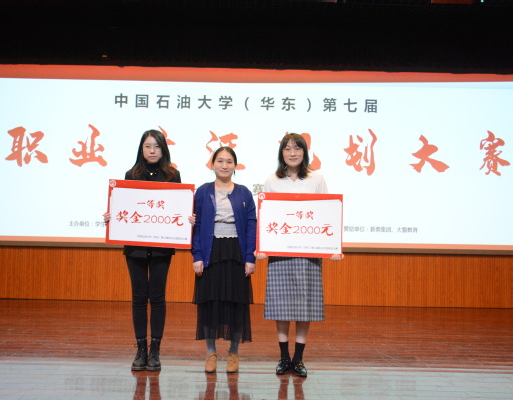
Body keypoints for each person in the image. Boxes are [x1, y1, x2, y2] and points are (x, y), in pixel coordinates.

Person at [257, 133, 343, 378]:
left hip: (308, 253)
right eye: (287, 148)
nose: (292, 153)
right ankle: (284, 358)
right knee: (281, 305)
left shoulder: (317, 178)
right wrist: (261, 246)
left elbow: (327, 212)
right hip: (280, 253)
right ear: (281, 153)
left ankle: (299, 359)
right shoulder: (272, 180)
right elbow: (266, 216)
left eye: (297, 148)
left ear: (305, 152)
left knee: (306, 306)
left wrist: (334, 247)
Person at [104, 129, 181, 372]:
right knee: (138, 298)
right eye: (147, 146)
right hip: (135, 246)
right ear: (141, 149)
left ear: (163, 149)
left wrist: (186, 218)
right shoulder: (131, 174)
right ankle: (140, 350)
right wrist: (113, 216)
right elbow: (125, 207)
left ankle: (155, 350)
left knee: (157, 298)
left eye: (156, 146)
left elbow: (177, 207)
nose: (152, 150)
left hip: (161, 246)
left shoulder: (173, 176)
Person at [191, 146, 256, 374]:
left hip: (236, 251)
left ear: (235, 165)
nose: (224, 165)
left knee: (236, 304)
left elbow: (251, 225)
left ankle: (233, 353)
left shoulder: (244, 193)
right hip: (211, 251)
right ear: (212, 164)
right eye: (220, 161)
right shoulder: (202, 191)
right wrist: (197, 255)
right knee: (210, 304)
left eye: (229, 161)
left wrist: (250, 257)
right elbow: (197, 225)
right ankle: (211, 353)